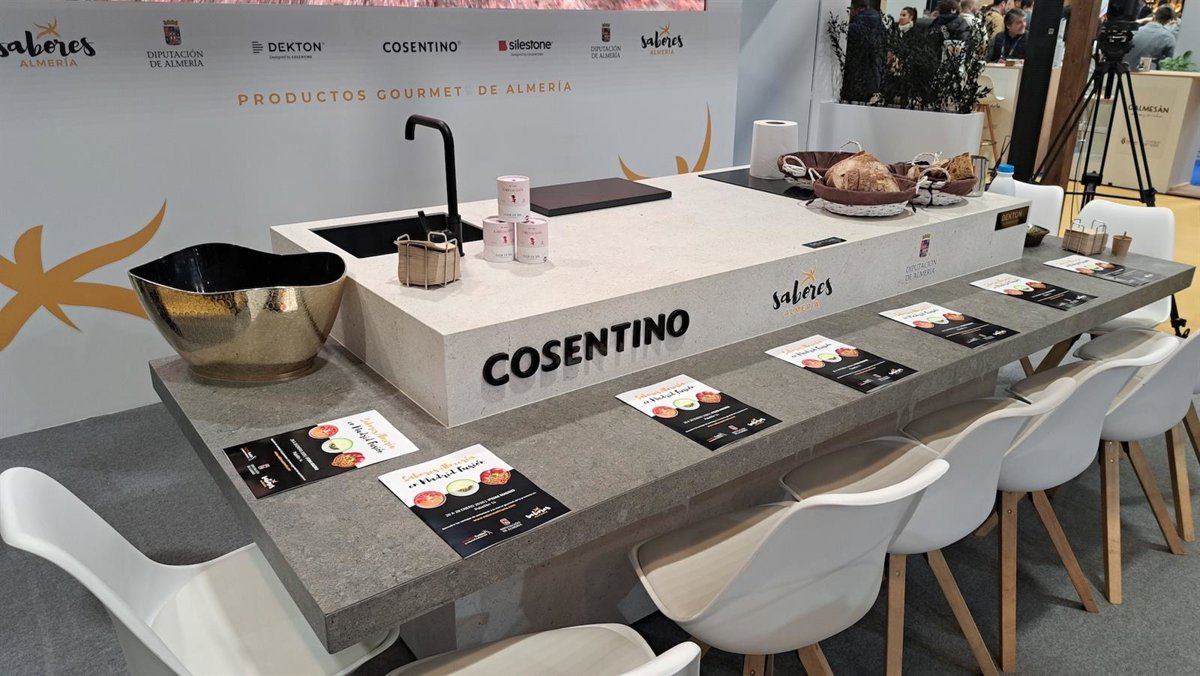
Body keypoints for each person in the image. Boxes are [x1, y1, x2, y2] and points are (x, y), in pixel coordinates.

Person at [842, 0, 886, 103]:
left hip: (855, 82)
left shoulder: (854, 28)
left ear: (854, 9)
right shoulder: (881, 26)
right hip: (874, 81)